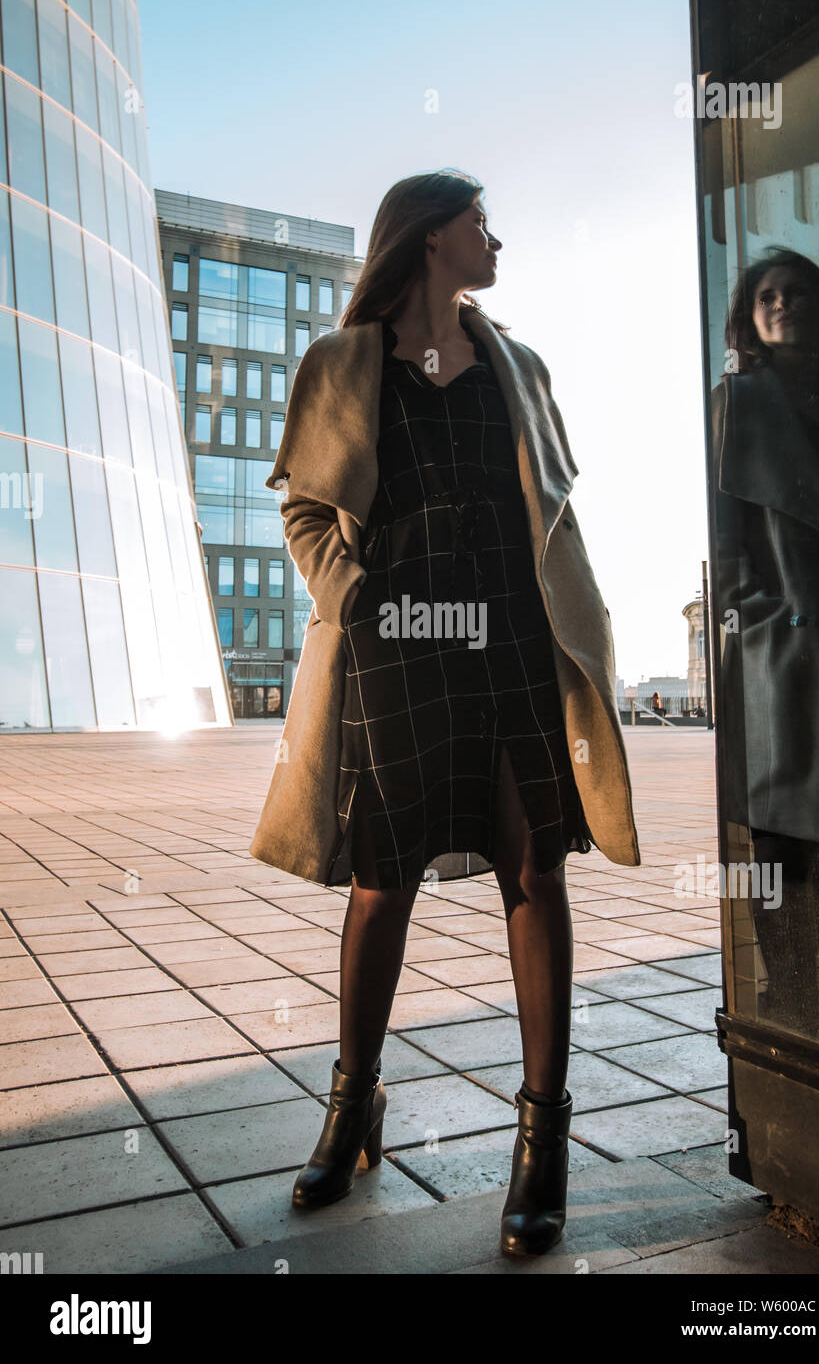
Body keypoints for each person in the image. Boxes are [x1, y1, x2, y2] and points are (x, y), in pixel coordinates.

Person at [250, 170, 640, 1257]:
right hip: (394, 642)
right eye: (478, 222)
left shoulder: (518, 363)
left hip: (513, 634)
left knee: (534, 867)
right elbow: (303, 507)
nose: (495, 236)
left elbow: (550, 507)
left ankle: (542, 1141)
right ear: (428, 240)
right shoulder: (343, 362)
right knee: (382, 882)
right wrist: (353, 594)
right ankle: (353, 1103)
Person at [713, 247, 819, 1037]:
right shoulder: (736, 402)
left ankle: (793, 978)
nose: (783, 305)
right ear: (749, 316)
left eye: (799, 293)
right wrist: (760, 617)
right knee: (782, 833)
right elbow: (723, 528)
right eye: (768, 295)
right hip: (782, 644)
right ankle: (791, 989)